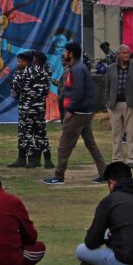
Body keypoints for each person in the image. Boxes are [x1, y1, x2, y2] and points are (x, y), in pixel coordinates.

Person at [43, 42, 106, 185]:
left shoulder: (77, 70)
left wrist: (71, 110)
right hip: (84, 111)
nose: (64, 54)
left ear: (70, 54)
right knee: (91, 143)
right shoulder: (79, 67)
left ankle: (58, 176)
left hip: (78, 113)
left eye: (66, 51)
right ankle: (104, 172)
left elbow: (78, 91)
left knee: (64, 145)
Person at [105, 44, 133, 167]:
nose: (127, 55)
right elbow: (107, 87)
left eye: (128, 52)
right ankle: (117, 159)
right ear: (118, 55)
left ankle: (131, 159)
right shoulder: (110, 68)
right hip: (114, 105)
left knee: (131, 133)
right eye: (124, 53)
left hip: (131, 105)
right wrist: (108, 102)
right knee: (116, 134)